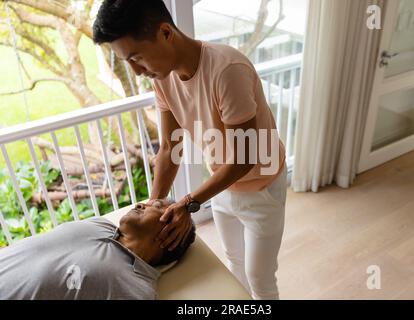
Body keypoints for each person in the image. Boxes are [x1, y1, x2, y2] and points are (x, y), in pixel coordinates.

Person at [93, 0, 287, 300]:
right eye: (127, 62)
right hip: (222, 185)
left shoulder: (226, 70)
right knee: (233, 260)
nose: (136, 71)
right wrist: (154, 207)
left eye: (136, 57)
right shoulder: (163, 78)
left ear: (166, 32)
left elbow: (247, 157)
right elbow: (171, 146)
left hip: (262, 188)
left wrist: (188, 202)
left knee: (260, 278)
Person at [0, 200, 196, 300]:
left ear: (169, 235)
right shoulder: (99, 224)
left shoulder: (134, 289)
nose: (141, 204)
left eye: (157, 206)